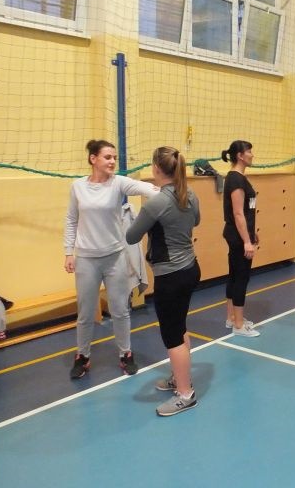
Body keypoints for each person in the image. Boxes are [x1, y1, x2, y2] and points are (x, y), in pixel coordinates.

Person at [64, 140, 158, 379]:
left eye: (114, 157)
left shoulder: (118, 183)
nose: (113, 161)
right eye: (107, 157)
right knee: (85, 313)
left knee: (120, 310)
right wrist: (68, 252)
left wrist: (170, 192)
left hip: (115, 257)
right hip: (86, 260)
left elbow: (146, 188)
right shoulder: (77, 187)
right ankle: (82, 356)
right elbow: (71, 220)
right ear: (93, 159)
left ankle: (125, 353)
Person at [126, 147, 201, 417]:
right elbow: (196, 220)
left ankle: (185, 394)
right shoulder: (190, 194)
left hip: (171, 276)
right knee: (179, 328)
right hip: (190, 269)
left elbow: (131, 236)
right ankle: (180, 378)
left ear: (156, 169)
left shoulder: (156, 203)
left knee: (172, 336)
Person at [222, 140, 260, 337]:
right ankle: (238, 325)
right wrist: (247, 240)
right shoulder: (236, 179)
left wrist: (252, 233)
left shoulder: (238, 177)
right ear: (240, 156)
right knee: (241, 278)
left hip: (239, 234)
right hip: (238, 237)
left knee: (235, 275)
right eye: (249, 151)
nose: (252, 154)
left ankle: (232, 317)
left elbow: (246, 211)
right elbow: (238, 213)